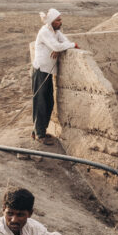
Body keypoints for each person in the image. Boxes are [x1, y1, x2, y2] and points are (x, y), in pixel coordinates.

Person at [32, 8, 78, 145]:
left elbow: (61, 43)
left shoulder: (55, 32)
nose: (60, 22)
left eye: (60, 20)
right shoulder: (45, 32)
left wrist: (61, 47)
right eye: (58, 20)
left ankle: (39, 131)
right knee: (41, 103)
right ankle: (39, 134)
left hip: (48, 71)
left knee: (49, 102)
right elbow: (58, 46)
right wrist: (71, 45)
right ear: (52, 21)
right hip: (40, 71)